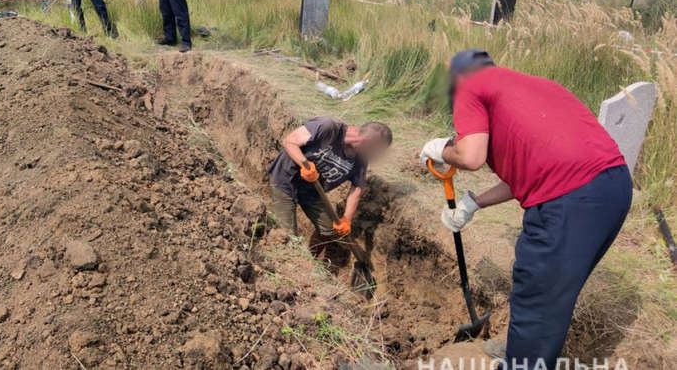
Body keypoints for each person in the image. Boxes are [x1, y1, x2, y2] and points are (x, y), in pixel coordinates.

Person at [420, 49, 631, 370]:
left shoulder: (469, 85)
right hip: (614, 188)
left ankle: (524, 360)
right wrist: (474, 203)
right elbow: (535, 170)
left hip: (570, 200)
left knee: (537, 298)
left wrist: (441, 149)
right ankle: (525, 353)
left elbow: (471, 157)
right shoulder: (538, 86)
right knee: (552, 298)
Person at [268, 118, 392, 255]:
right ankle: (287, 257)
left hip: (312, 191)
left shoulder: (360, 160)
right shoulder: (328, 128)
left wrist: (347, 219)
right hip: (286, 179)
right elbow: (289, 141)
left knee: (329, 230)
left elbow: (357, 188)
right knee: (288, 235)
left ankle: (311, 258)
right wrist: (304, 163)